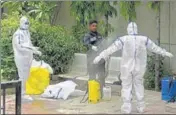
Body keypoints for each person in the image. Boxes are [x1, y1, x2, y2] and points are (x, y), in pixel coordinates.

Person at [93, 22, 173, 114]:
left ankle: (127, 108)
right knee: (139, 85)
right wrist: (164, 53)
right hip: (139, 67)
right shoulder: (143, 39)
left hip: (126, 67)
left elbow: (111, 49)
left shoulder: (124, 39)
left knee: (126, 86)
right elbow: (154, 48)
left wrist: (100, 56)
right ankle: (141, 107)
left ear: (128, 29)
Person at [12, 16, 42, 101]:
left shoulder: (27, 32)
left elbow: (29, 44)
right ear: (21, 23)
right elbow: (19, 47)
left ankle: (23, 93)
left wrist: (35, 50)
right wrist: (32, 49)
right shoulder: (17, 34)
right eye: (25, 23)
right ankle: (21, 94)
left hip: (28, 57)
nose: (27, 25)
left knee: (26, 76)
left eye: (28, 23)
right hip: (21, 58)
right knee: (22, 76)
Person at [83, 20, 106, 97]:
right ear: (89, 26)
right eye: (93, 26)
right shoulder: (87, 35)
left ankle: (102, 91)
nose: (95, 27)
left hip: (100, 58)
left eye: (96, 26)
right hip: (91, 58)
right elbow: (85, 43)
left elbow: (103, 43)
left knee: (101, 75)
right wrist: (91, 46)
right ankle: (90, 92)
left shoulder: (99, 35)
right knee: (92, 75)